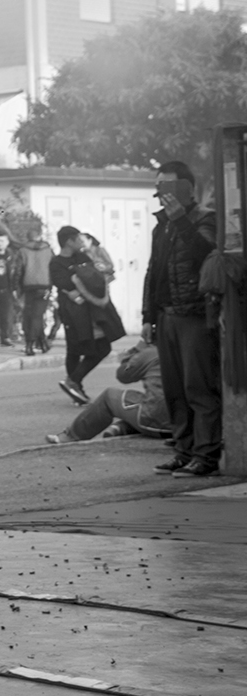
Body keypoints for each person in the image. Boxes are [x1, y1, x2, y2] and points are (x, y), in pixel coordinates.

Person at [141, 162, 220, 477]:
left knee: (198, 387)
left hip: (194, 315)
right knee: (175, 391)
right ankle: (184, 451)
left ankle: (206, 455)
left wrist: (181, 221)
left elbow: (208, 255)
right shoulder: (160, 226)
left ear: (187, 187)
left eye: (169, 185)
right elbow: (153, 273)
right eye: (159, 185)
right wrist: (148, 316)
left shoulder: (205, 218)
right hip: (167, 316)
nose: (163, 192)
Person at [49, 226, 123, 404]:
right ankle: (76, 388)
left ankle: (73, 381)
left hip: (92, 311)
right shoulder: (56, 263)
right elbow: (63, 282)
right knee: (74, 349)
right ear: (69, 241)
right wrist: (76, 283)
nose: (81, 243)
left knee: (103, 347)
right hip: (72, 312)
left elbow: (93, 277)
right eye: (77, 239)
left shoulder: (82, 257)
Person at [47, 341, 170, 444]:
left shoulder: (152, 353)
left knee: (109, 397)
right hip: (179, 425)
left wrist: (137, 350)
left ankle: (70, 436)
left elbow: (123, 375)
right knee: (139, 399)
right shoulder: (180, 349)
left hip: (156, 421)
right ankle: (121, 428)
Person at [14, 224, 55, 356]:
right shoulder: (48, 250)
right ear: (39, 237)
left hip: (28, 286)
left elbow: (18, 271)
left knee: (31, 315)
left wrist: (17, 288)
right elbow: (54, 269)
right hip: (44, 286)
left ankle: (40, 343)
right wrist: (52, 286)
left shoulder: (23, 251)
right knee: (37, 316)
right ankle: (31, 344)